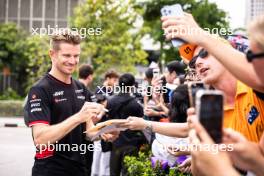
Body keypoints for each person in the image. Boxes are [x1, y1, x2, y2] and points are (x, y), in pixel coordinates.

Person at [162, 13, 264, 175]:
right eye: (193, 63)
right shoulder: (213, 111)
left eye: (204, 53)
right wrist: (199, 152)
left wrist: (202, 36)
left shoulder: (256, 90)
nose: (199, 63)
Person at [25, 32, 118, 176]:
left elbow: (88, 133)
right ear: (52, 54)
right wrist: (78, 117)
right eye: (67, 55)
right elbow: (40, 139)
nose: (73, 61)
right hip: (50, 171)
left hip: (79, 169)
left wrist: (103, 133)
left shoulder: (80, 88)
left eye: (76, 56)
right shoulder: (40, 89)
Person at [107, 73, 146, 176]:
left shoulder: (110, 101)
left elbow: (108, 121)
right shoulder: (136, 104)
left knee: (113, 172)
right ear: (132, 86)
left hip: (115, 142)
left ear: (119, 84)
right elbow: (141, 123)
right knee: (128, 173)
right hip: (131, 144)